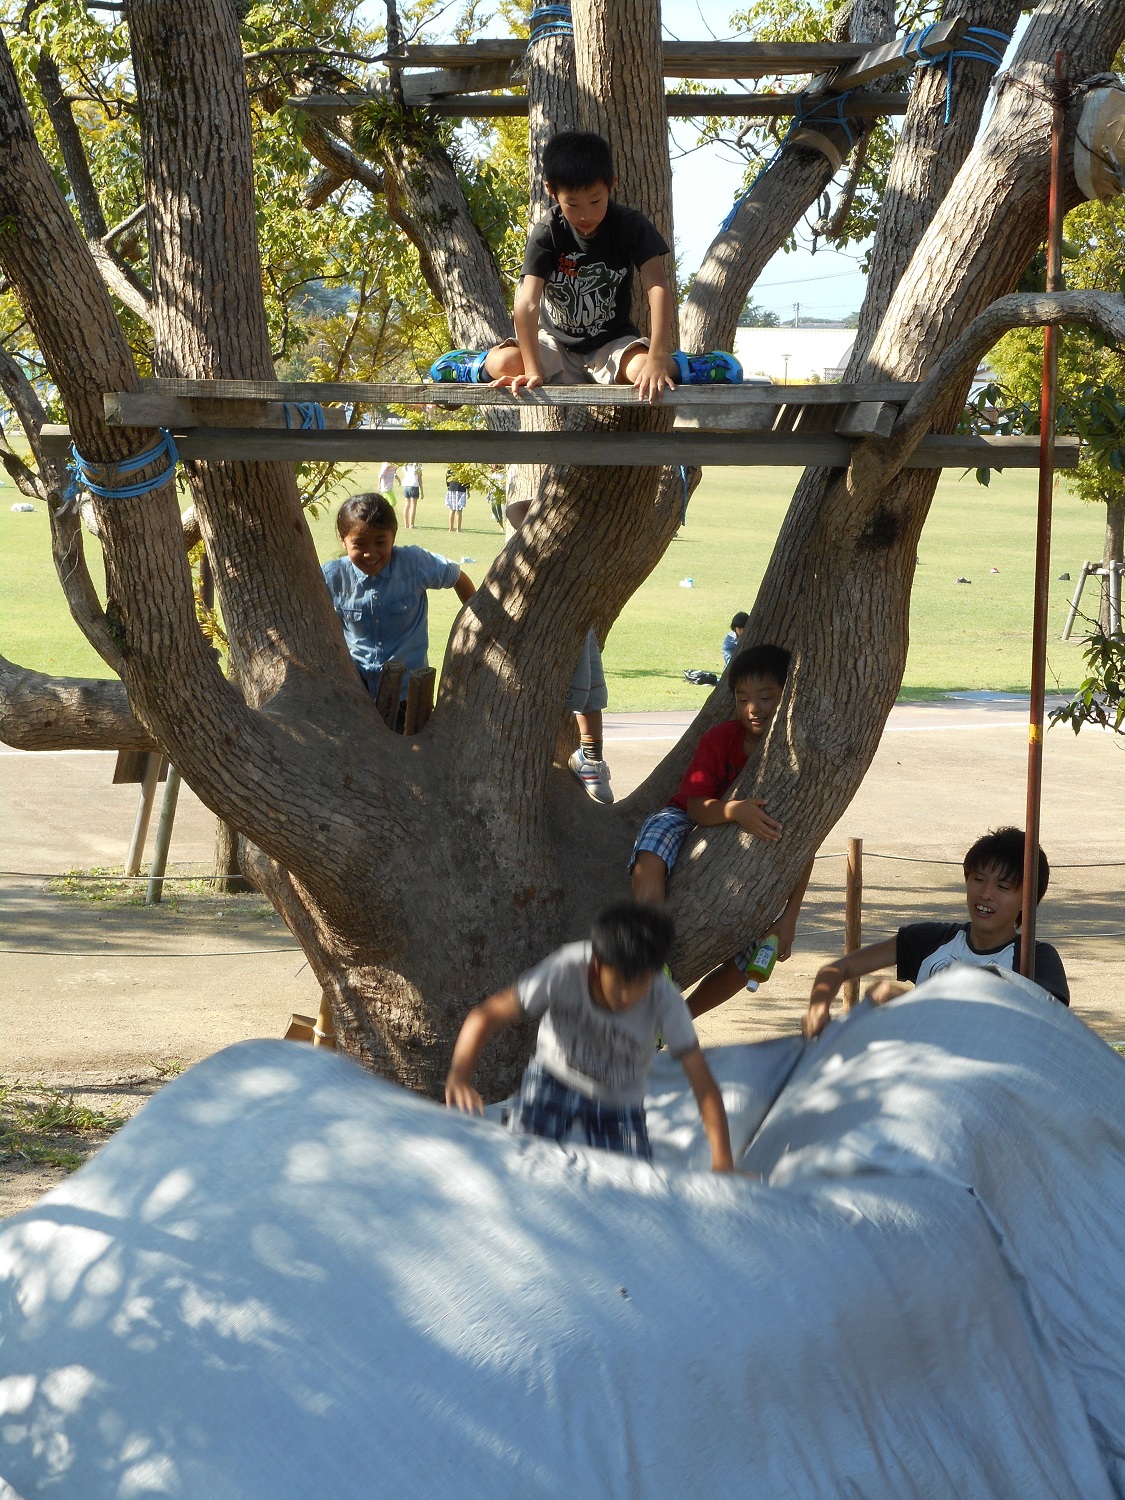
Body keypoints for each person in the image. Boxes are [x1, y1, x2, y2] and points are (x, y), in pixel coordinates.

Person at [428, 131, 741, 400]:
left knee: (644, 371)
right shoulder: (548, 231)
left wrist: (658, 357)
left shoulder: (631, 226)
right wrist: (533, 370)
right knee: (508, 364)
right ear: (552, 192)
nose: (585, 214)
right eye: (572, 204)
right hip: (554, 345)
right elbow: (526, 303)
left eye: (596, 200)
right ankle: (474, 364)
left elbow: (657, 287)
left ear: (612, 186)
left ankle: (690, 366)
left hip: (610, 345)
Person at [445, 901, 735, 1171]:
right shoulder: (566, 968)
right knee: (521, 1162)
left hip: (619, 1099)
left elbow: (703, 1084)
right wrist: (460, 1075)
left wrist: (723, 1162)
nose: (628, 997)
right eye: (620, 983)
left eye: (640, 984)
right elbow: (487, 1015)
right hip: (552, 1079)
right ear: (596, 965)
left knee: (636, 1184)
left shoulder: (664, 998)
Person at [629, 643, 814, 1001]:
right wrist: (734, 811)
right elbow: (696, 806)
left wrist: (789, 918)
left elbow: (804, 845)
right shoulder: (720, 739)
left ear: (788, 695)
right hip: (690, 817)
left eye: (765, 696)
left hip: (755, 854)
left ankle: (678, 1021)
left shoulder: (798, 755)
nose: (753, 708)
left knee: (756, 954)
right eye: (742, 698)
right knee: (655, 836)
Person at [802, 825, 1070, 1039]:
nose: (985, 894)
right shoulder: (930, 940)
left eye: (1002, 887)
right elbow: (835, 971)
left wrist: (910, 1002)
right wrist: (819, 1005)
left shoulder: (1036, 959)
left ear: (1028, 899)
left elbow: (1045, 1029)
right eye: (978, 879)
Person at [322, 492, 475, 715]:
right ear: (342, 540)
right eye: (359, 544)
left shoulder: (414, 563)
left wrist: (477, 623)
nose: (370, 553)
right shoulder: (332, 575)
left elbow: (456, 577)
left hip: (409, 694)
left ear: (394, 535)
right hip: (355, 692)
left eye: (380, 542)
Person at [445, 468, 468, 533]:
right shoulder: (464, 466)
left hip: (452, 488)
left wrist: (449, 486)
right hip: (461, 489)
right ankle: (458, 529)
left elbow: (447, 477)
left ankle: (451, 528)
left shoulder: (451, 466)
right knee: (459, 510)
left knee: (452, 509)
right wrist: (468, 488)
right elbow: (467, 479)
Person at [401, 462, 423, 529]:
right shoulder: (418, 464)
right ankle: (411, 524)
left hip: (406, 485)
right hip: (414, 485)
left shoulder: (405, 464)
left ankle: (406, 524)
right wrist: (421, 490)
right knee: (413, 505)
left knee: (406, 505)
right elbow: (419, 478)